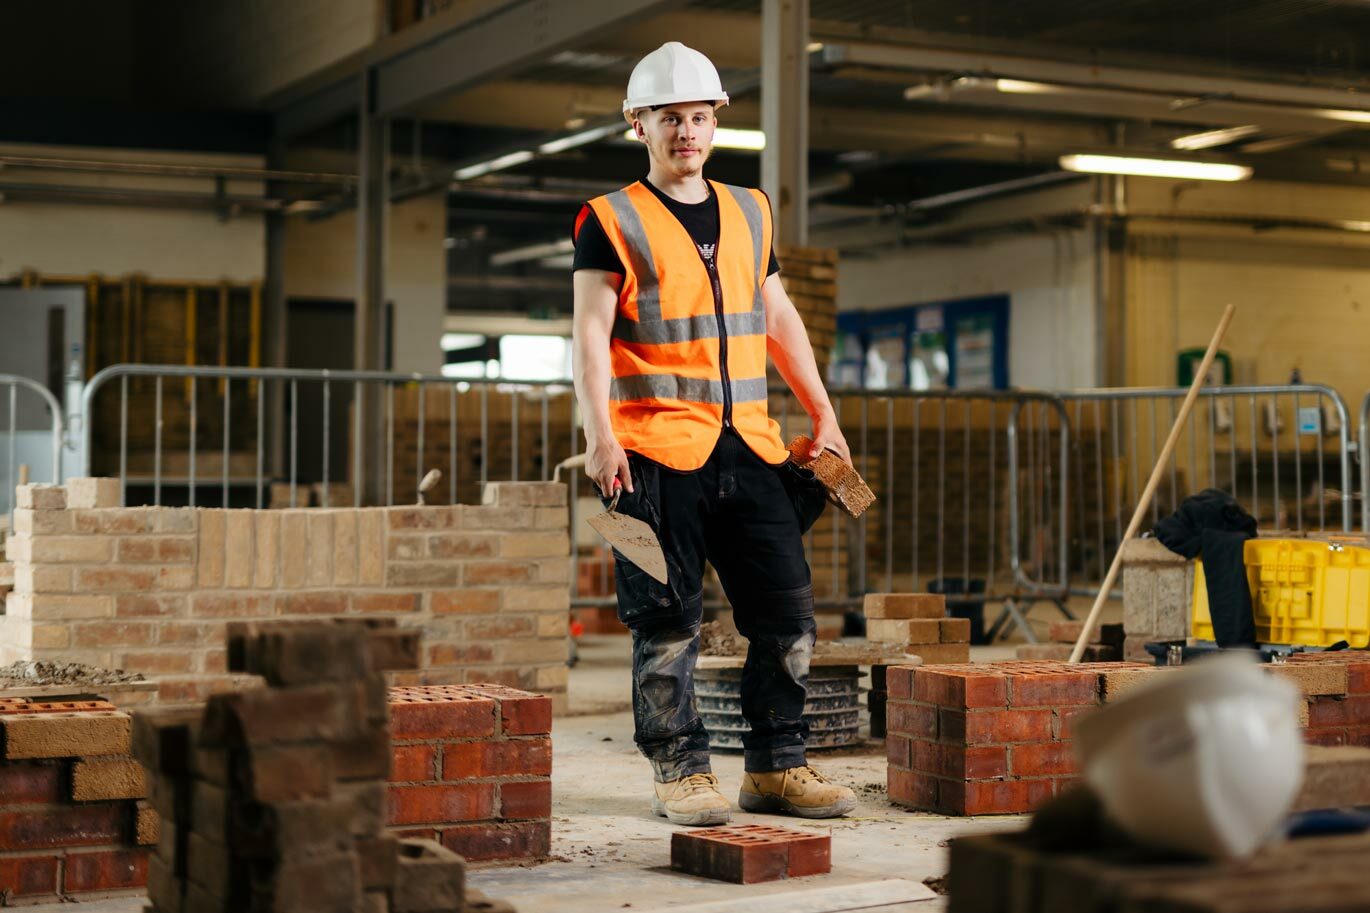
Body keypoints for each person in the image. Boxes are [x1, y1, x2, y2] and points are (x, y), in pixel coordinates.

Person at [570, 41, 857, 827]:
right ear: (639, 125)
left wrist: (822, 409)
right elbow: (589, 336)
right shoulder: (609, 219)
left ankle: (777, 765)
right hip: (654, 451)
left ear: (715, 122)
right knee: (667, 621)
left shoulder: (750, 209)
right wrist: (601, 434)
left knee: (788, 613)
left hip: (752, 446)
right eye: (670, 118)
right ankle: (681, 771)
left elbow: (777, 315)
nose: (687, 132)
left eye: (699, 117)